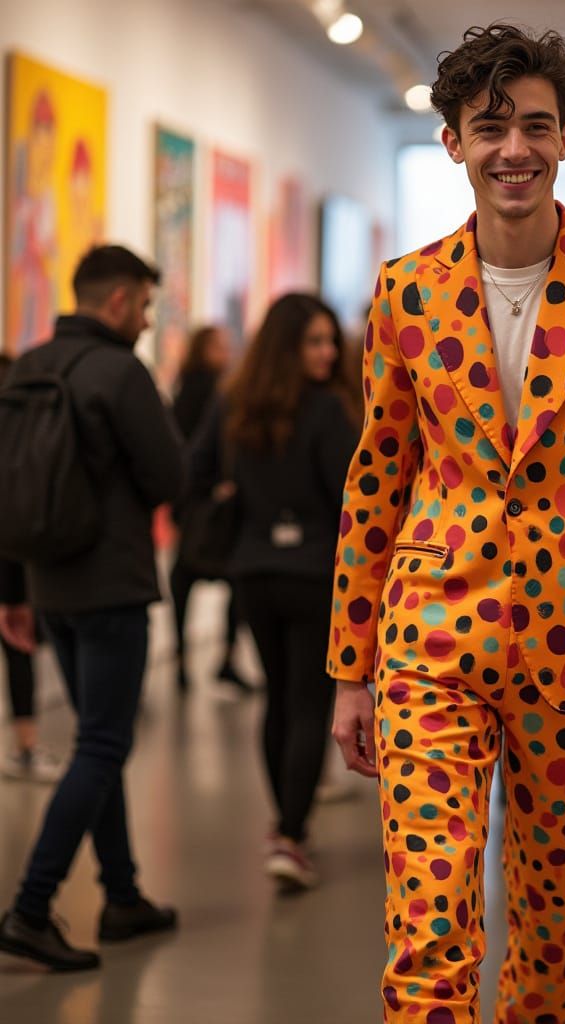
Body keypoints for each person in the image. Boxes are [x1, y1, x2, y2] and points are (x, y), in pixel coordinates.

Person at [327, 23, 565, 1024]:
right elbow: (377, 481)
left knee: (553, 926)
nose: (514, 149)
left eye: (537, 126)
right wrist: (350, 666)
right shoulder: (405, 290)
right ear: (453, 141)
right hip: (428, 639)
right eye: (490, 127)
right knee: (431, 928)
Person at [0, 245, 184, 971]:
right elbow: (168, 474)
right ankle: (31, 906)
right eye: (142, 306)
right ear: (116, 301)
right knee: (104, 744)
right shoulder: (121, 372)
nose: (143, 320)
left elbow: (10, 491)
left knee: (92, 741)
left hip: (49, 585)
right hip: (111, 584)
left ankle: (123, 895)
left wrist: (13, 593)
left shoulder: (28, 367)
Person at [191, 294, 358, 891]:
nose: (327, 352)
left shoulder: (234, 405)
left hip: (254, 570)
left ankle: (285, 826)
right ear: (287, 346)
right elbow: (353, 498)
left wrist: (234, 498)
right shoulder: (328, 411)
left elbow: (196, 474)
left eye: (329, 340)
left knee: (280, 701)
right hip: (313, 574)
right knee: (306, 704)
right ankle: (290, 833)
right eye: (314, 341)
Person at [168, 324, 251, 696]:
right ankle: (222, 659)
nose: (228, 351)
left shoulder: (199, 390)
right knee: (228, 584)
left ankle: (185, 661)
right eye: (220, 345)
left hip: (197, 508)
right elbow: (194, 454)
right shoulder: (215, 393)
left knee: (185, 583)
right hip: (211, 510)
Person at [0, 354, 63, 784]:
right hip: (12, 566)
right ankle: (24, 745)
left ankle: (25, 746)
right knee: (19, 649)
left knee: (19, 652)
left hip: (12, 567)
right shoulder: (16, 438)